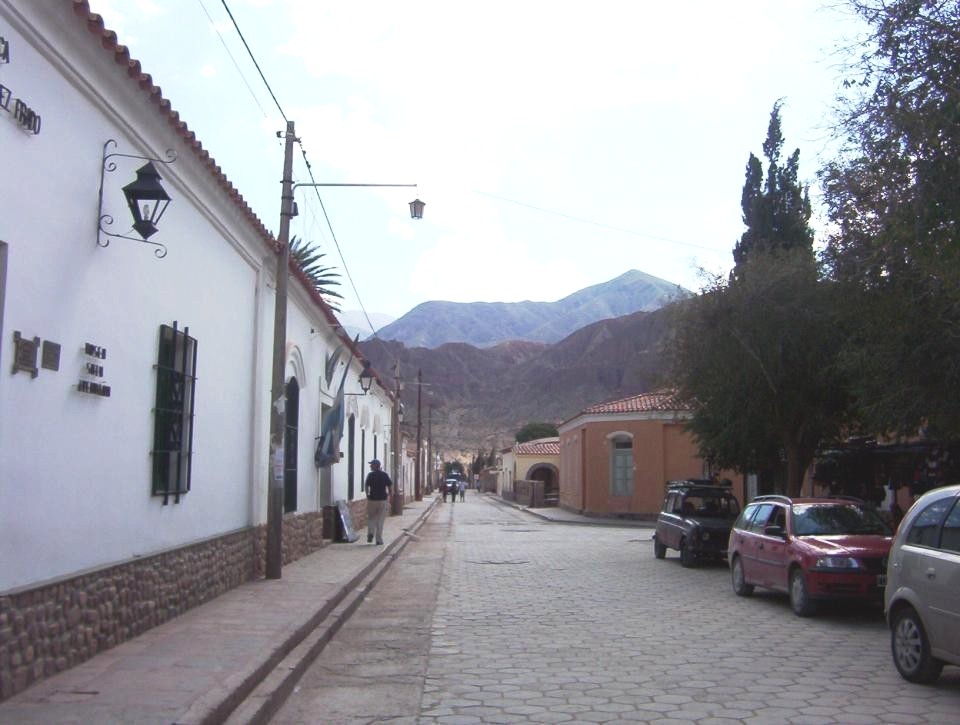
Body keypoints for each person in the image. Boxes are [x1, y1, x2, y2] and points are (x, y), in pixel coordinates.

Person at [364, 459, 392, 545]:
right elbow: (390, 486)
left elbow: (366, 486)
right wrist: (390, 497)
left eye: (371, 465)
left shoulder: (370, 475)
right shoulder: (385, 475)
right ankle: (379, 539)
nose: (370, 466)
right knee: (380, 520)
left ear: (376, 466)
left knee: (371, 518)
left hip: (372, 499)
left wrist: (367, 495)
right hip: (382, 500)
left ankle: (370, 533)